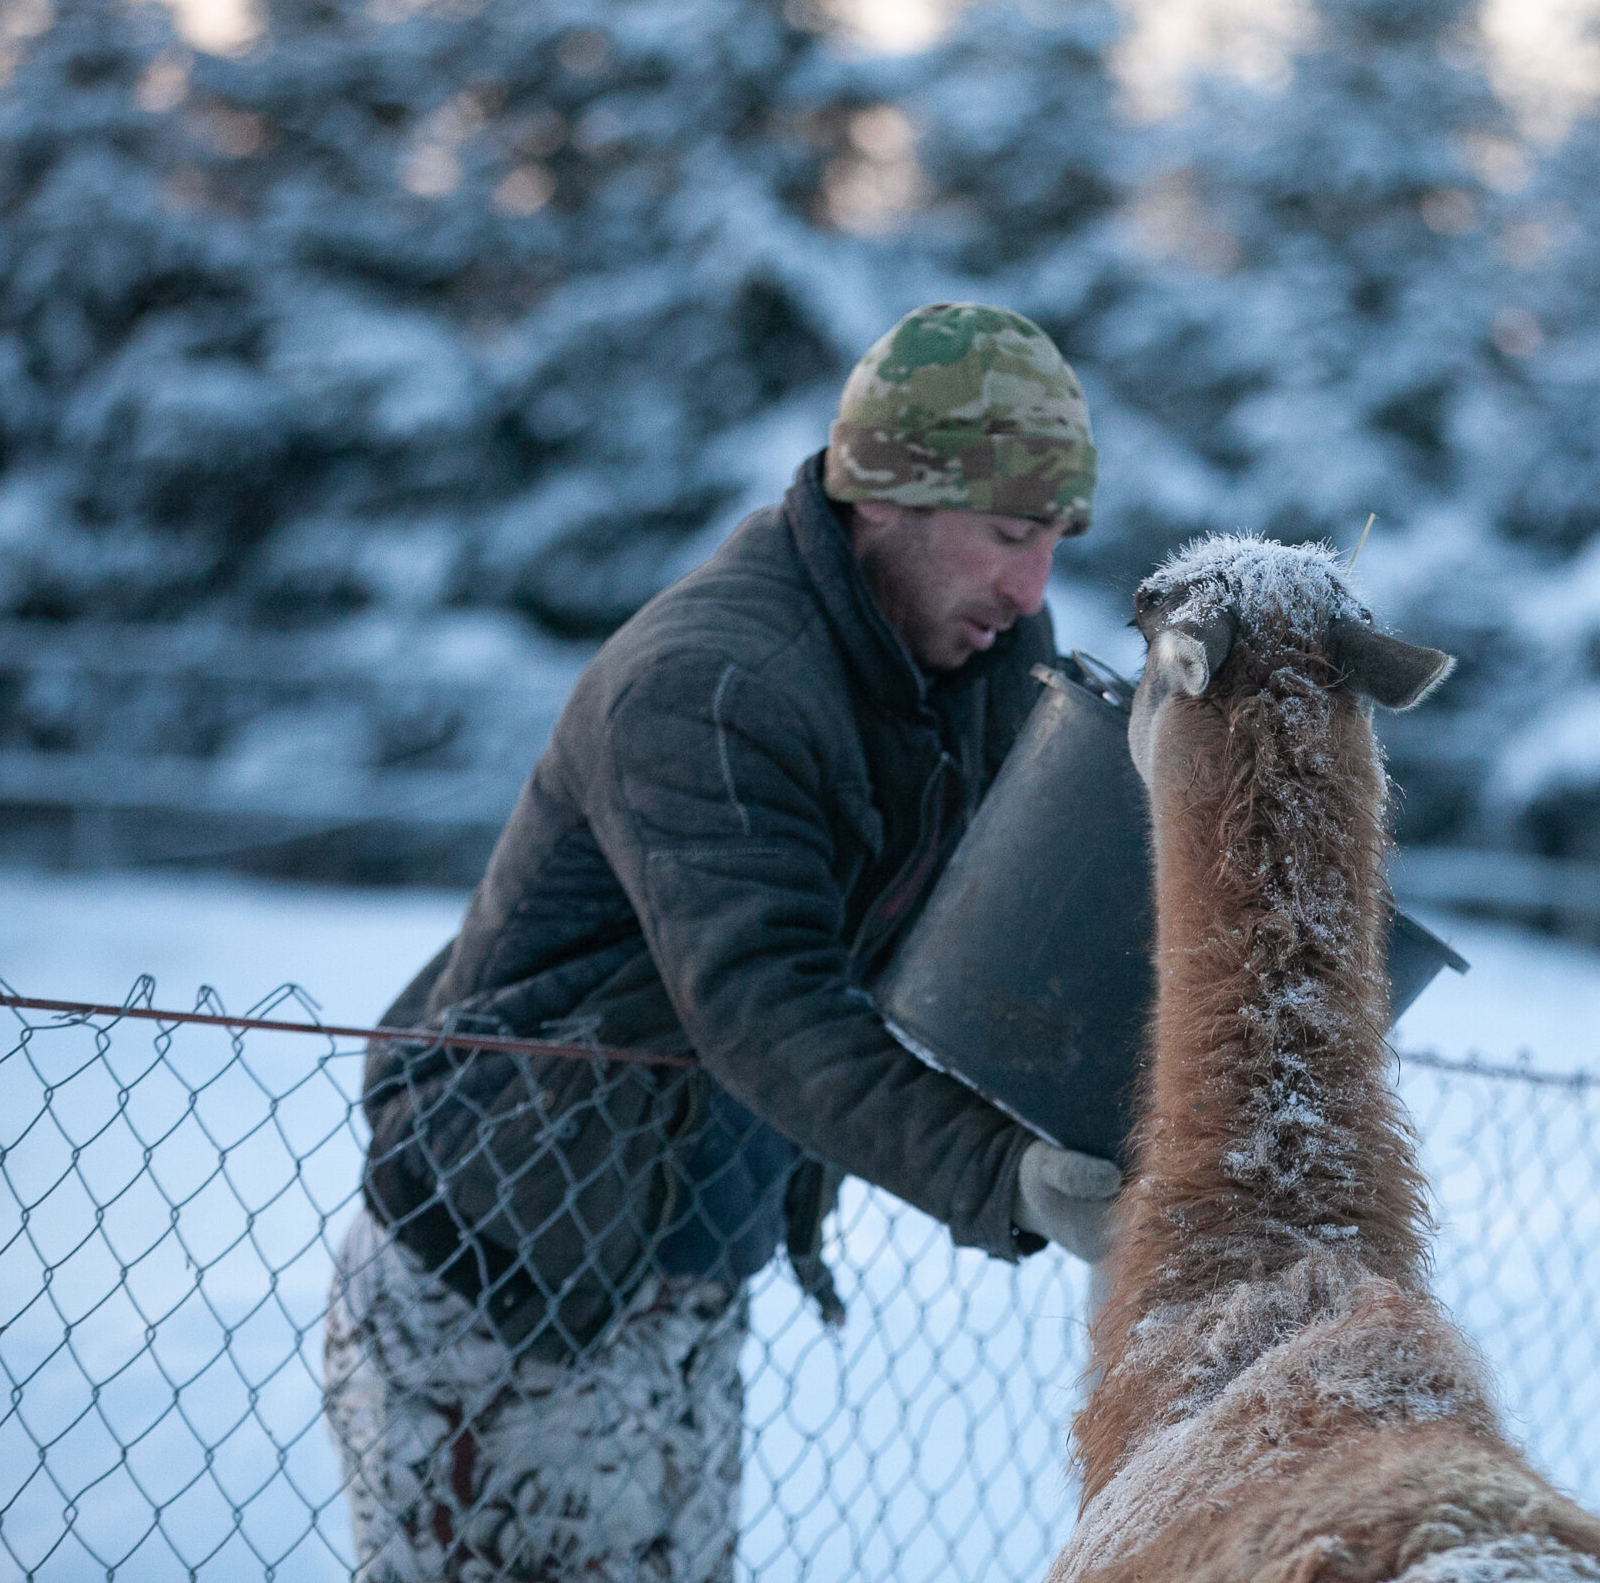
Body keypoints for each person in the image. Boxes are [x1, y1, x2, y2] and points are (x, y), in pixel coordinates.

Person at [323, 303, 1124, 1583]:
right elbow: (765, 1003)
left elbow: (1026, 900)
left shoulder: (966, 654)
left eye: (1054, 543)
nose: (1031, 588)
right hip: (504, 1267)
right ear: (887, 492)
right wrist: (1011, 1176)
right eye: (1009, 533)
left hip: (685, 1265)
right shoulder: (710, 681)